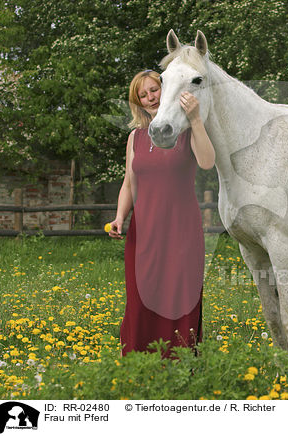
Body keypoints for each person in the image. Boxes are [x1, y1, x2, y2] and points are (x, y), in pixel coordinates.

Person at [107, 69, 215, 358]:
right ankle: (139, 364)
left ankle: (180, 364)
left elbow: (207, 162)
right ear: (138, 102)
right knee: (140, 300)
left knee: (180, 296)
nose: (150, 97)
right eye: (142, 95)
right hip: (144, 232)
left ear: (165, 89)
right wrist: (119, 217)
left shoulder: (188, 130)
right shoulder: (135, 138)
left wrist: (194, 118)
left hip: (182, 230)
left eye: (154, 89)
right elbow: (129, 183)